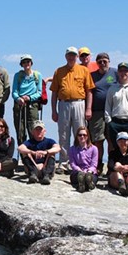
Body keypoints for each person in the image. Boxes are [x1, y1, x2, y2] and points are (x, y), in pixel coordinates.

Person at [50, 46, 95, 174]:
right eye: (69, 55)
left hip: (79, 104)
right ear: (66, 56)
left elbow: (89, 91)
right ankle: (64, 163)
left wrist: (88, 108)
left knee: (80, 134)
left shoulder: (83, 70)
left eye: (73, 55)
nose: (71, 57)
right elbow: (54, 93)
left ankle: (80, 162)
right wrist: (54, 111)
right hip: (63, 104)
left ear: (77, 57)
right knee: (63, 134)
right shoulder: (59, 71)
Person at [89, 52, 118, 173]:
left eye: (104, 61)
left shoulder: (115, 72)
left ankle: (111, 165)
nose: (102, 63)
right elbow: (89, 92)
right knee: (98, 140)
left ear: (109, 61)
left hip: (113, 111)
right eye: (99, 61)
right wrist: (88, 108)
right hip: (97, 112)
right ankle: (98, 164)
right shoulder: (92, 75)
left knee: (111, 139)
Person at [12, 54, 43, 145]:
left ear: (31, 63)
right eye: (24, 62)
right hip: (19, 104)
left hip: (32, 105)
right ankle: (24, 156)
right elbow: (14, 91)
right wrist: (18, 98)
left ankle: (34, 154)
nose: (26, 64)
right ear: (21, 64)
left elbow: (39, 92)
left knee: (33, 130)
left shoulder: (37, 75)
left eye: (28, 61)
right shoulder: (18, 75)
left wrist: (29, 98)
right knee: (20, 132)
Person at [18, 120, 61, 185]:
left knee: (52, 153)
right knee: (25, 154)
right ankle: (33, 174)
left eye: (40, 129)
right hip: (33, 167)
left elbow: (58, 148)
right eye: (36, 129)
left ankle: (46, 175)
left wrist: (46, 152)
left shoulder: (49, 141)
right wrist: (32, 152)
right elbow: (20, 148)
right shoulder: (30, 142)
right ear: (32, 132)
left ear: (44, 131)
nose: (39, 131)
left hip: (46, 166)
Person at [107, 132, 128, 197]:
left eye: (125, 140)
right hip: (117, 178)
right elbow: (110, 165)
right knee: (117, 165)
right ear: (117, 142)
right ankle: (121, 184)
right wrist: (118, 168)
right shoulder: (113, 153)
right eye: (120, 140)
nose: (123, 142)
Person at [68, 126, 98, 193]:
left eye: (84, 135)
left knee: (90, 178)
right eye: (80, 135)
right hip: (77, 172)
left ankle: (84, 184)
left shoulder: (94, 149)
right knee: (78, 177)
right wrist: (79, 171)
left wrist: (89, 171)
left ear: (87, 136)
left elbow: (94, 164)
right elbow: (72, 164)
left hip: (90, 173)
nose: (82, 137)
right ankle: (84, 184)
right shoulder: (72, 149)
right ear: (77, 137)